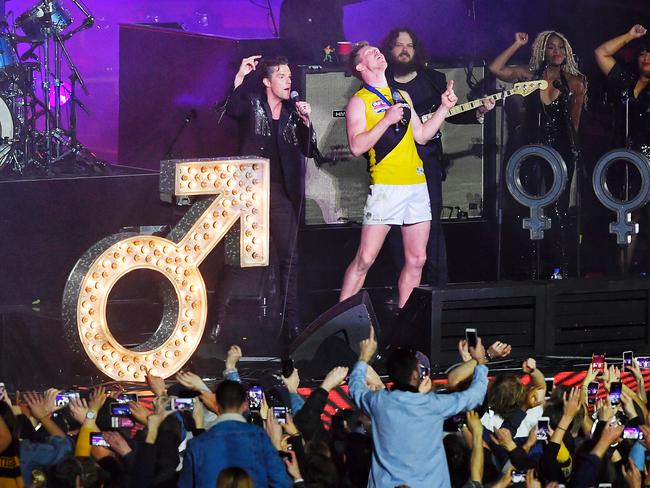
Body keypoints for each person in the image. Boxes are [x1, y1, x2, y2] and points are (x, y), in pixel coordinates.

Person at [338, 42, 458, 309]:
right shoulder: (360, 101)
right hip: (386, 186)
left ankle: (404, 325)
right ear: (360, 66)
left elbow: (422, 135)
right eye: (370, 53)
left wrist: (443, 108)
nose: (378, 52)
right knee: (366, 259)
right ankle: (338, 320)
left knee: (417, 259)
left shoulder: (402, 95)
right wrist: (386, 120)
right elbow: (357, 146)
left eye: (377, 50)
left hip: (416, 184)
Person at [214, 55, 319, 341]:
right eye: (282, 76)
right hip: (249, 191)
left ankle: (290, 324)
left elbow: (310, 150)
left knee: (290, 259)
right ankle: (218, 322)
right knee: (237, 260)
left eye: (289, 76)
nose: (289, 81)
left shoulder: (291, 113)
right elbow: (230, 109)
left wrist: (307, 121)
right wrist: (239, 76)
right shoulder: (251, 101)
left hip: (281, 195)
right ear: (267, 81)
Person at [381, 27, 495, 287]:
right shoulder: (381, 82)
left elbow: (450, 112)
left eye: (409, 45)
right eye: (399, 45)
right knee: (397, 229)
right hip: (393, 166)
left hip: (427, 163)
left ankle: (437, 289)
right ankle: (405, 291)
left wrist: (479, 111)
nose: (404, 49)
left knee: (431, 226)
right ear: (390, 50)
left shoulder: (433, 79)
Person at [489, 31, 587, 279]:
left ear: (567, 52)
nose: (556, 52)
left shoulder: (574, 82)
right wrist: (517, 44)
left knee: (557, 208)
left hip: (560, 149)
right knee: (528, 207)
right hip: (529, 148)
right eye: (551, 47)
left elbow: (575, 123)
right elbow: (495, 68)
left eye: (561, 48)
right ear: (542, 51)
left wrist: (573, 154)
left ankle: (560, 269)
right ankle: (530, 268)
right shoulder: (529, 75)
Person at [348, 327, 489, 487]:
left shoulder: (378, 402)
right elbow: (475, 395)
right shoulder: (432, 405)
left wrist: (364, 357)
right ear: (415, 375)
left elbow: (355, 388)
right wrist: (480, 361)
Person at [595, 25, 650, 272]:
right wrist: (630, 36)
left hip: (648, 160)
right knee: (625, 218)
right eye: (643, 54)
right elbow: (601, 53)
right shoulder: (626, 80)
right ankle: (623, 274)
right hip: (624, 159)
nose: (647, 58)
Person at [178, 380, 292, 488]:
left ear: (216, 404)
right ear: (245, 404)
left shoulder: (196, 444)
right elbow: (281, 482)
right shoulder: (260, 438)